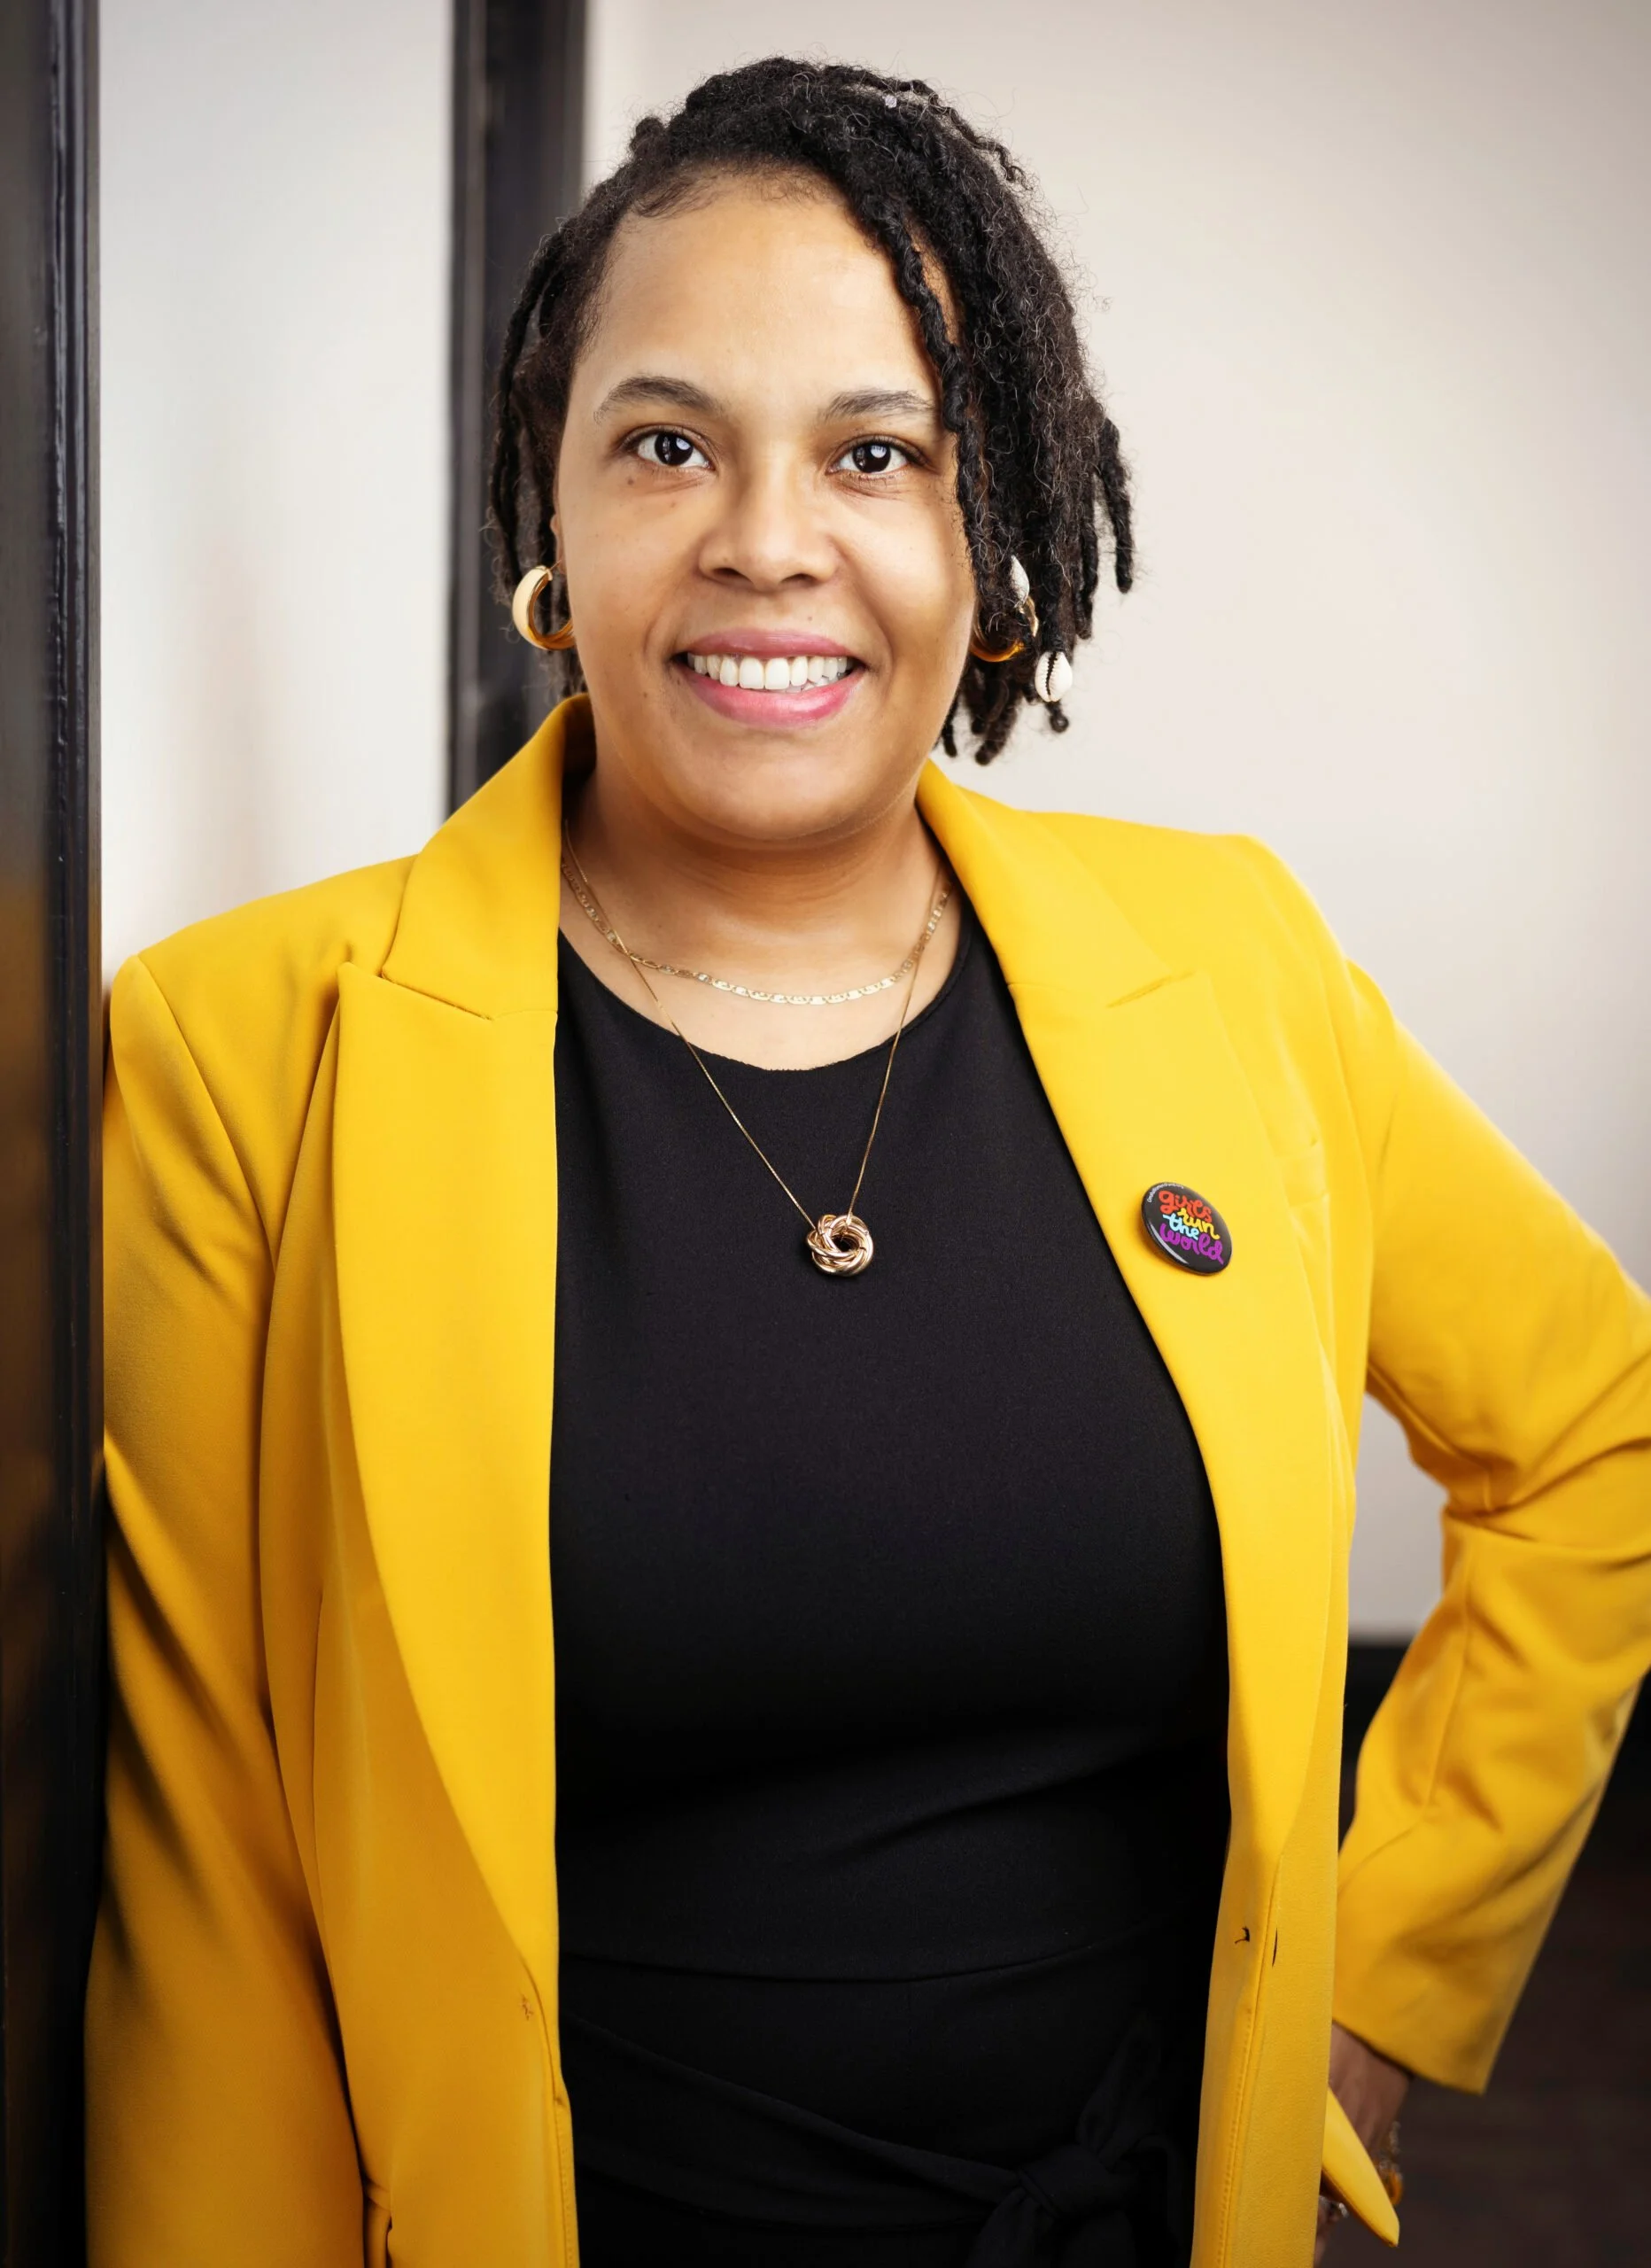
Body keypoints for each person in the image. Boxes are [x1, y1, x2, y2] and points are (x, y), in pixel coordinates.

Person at [88, 57, 1651, 2268]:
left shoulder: (1229, 961)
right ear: (548, 517)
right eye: (663, 442)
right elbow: (210, 1884)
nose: (763, 535)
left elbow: (1598, 1429)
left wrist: (1381, 1976)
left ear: (980, 538)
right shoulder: (247, 1048)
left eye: (875, 452)